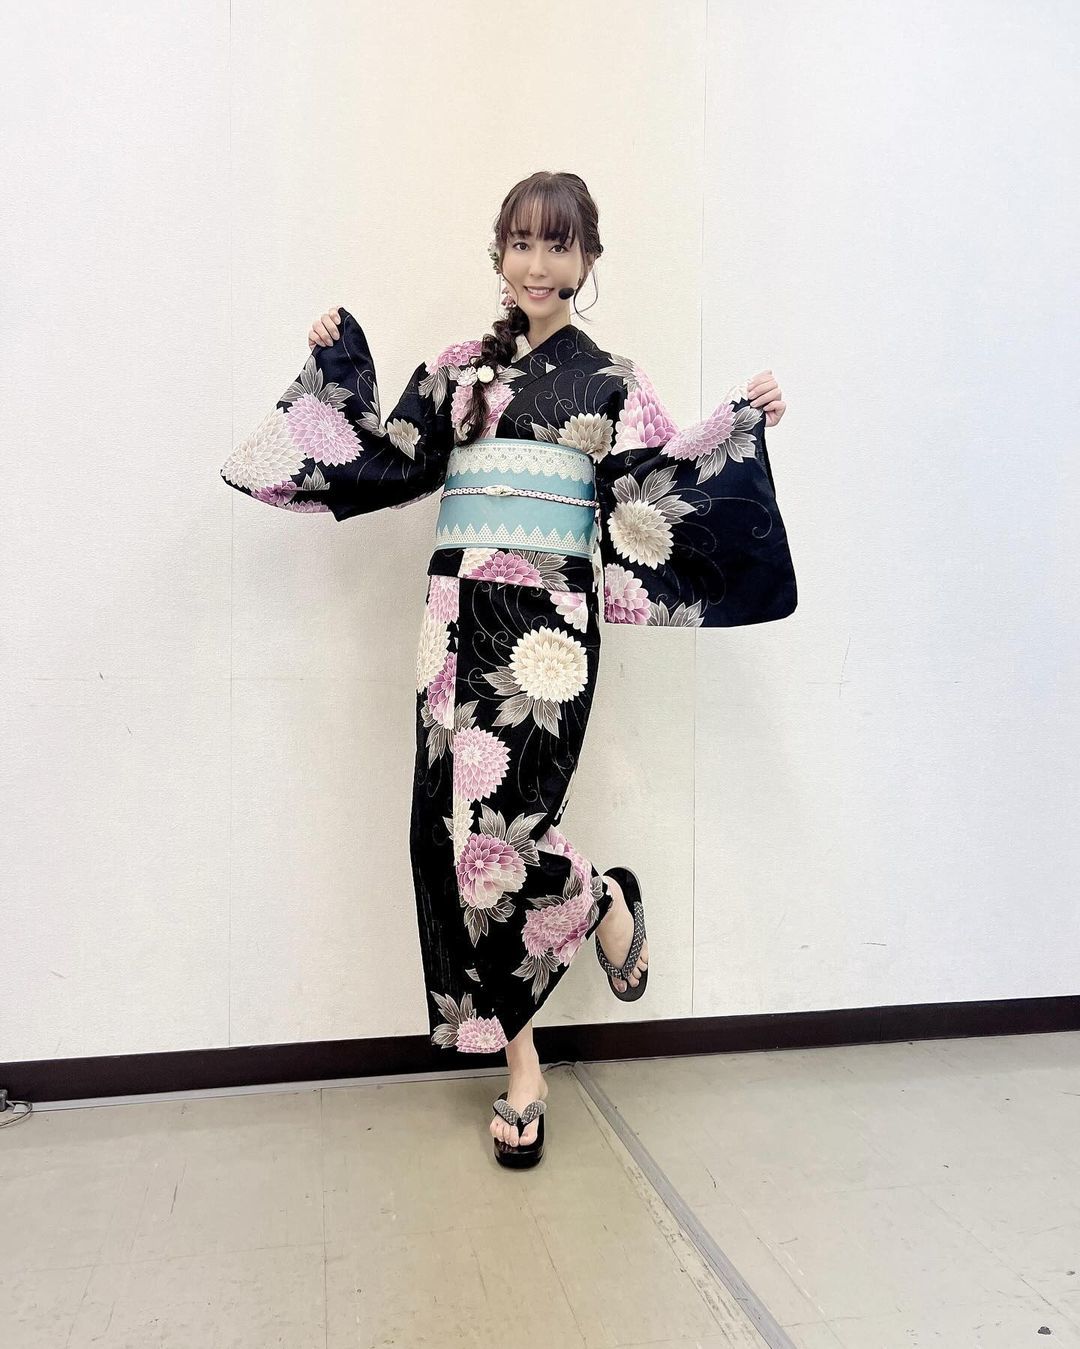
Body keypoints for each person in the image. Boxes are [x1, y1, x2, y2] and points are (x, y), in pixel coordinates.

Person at [220, 170, 795, 1167]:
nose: (537, 264)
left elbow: (656, 487)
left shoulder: (611, 382)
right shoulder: (458, 371)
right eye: (522, 242)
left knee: (506, 832)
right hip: (451, 619)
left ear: (588, 259)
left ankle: (597, 899)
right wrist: (338, 359)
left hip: (548, 629)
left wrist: (740, 424)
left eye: (558, 245)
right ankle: (523, 1060)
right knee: (448, 840)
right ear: (500, 251)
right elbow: (391, 459)